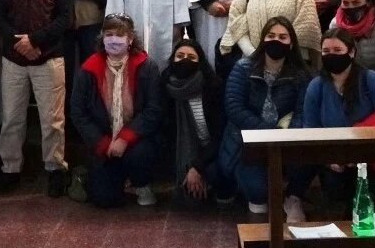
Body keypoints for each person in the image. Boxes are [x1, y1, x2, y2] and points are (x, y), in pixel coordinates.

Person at [0, 0, 73, 197]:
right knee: (11, 118)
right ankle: (10, 168)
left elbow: (65, 18)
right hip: (13, 60)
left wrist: (36, 41)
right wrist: (20, 43)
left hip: (48, 58)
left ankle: (55, 168)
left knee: (52, 120)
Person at [302, 28, 375, 218]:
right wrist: (329, 159)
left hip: (373, 159)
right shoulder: (316, 86)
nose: (331, 55)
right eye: (326, 51)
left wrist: (363, 154)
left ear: (351, 52)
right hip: (335, 162)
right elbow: (309, 130)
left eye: (337, 50)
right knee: (335, 191)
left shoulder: (371, 80)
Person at [219, 17, 311, 221]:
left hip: (286, 141)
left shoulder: (301, 74)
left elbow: (303, 111)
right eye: (271, 36)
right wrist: (268, 133)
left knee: (307, 162)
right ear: (262, 40)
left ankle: (293, 197)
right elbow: (234, 109)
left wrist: (289, 137)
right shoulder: (243, 68)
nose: (276, 40)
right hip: (248, 144)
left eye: (282, 37)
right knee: (258, 193)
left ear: (291, 43)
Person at [71, 14, 162, 208]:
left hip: (136, 141)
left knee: (141, 154)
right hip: (103, 140)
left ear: (130, 39)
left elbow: (153, 110)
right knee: (104, 199)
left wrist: (125, 138)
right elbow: (78, 112)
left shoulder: (147, 67)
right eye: (109, 34)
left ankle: (142, 184)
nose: (114, 39)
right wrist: (102, 142)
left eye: (120, 35)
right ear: (102, 37)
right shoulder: (88, 69)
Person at [161, 39, 234, 205]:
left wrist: (197, 166)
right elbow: (167, 132)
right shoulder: (166, 88)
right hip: (180, 153)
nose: (185, 60)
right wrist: (188, 166)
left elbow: (220, 133)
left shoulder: (213, 87)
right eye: (180, 56)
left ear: (200, 62)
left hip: (213, 150)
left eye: (191, 57)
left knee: (215, 173)